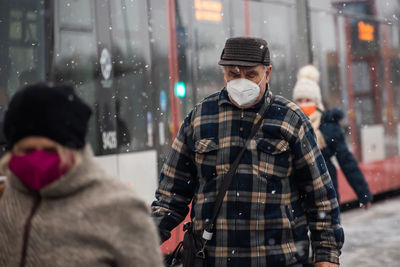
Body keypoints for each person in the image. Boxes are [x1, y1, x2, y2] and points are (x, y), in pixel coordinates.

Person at [151, 37, 343, 267]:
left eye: (251, 74)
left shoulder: (290, 119)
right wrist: (138, 244)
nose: (242, 82)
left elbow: (320, 197)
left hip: (278, 260)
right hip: (212, 260)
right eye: (233, 74)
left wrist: (326, 255)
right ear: (224, 74)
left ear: (267, 73)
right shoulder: (200, 118)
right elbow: (170, 197)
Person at [0, 83, 163, 267]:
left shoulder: (121, 209)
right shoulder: (4, 198)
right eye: (28, 150)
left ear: (73, 151)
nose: (38, 159)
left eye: (50, 150)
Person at [293, 65, 373, 209]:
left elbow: (346, 161)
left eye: (308, 99)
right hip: (297, 197)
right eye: (299, 100)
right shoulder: (289, 126)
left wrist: (363, 194)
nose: (303, 104)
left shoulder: (328, 126)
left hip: (326, 194)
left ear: (317, 102)